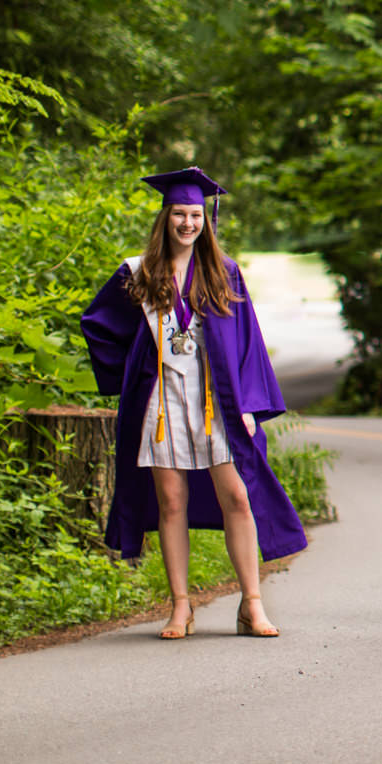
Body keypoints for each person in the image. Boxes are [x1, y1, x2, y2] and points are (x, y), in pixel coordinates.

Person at [81, 167, 306, 639]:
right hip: (161, 404)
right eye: (180, 214)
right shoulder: (138, 272)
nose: (188, 223)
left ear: (206, 218)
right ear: (165, 219)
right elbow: (99, 324)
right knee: (170, 501)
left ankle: (253, 605)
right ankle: (180, 607)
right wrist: (133, 369)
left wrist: (247, 403)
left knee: (238, 498)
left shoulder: (222, 272)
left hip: (216, 402)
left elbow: (247, 341)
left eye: (196, 214)